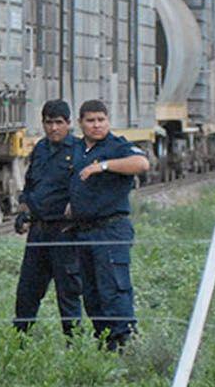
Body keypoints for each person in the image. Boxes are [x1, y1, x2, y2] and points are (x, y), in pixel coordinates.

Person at [67, 99, 150, 350]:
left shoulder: (117, 146)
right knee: (92, 293)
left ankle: (124, 344)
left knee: (113, 288)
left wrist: (103, 166)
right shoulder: (77, 149)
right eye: (90, 121)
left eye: (101, 120)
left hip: (110, 230)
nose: (96, 125)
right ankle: (104, 344)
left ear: (108, 121)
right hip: (84, 231)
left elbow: (142, 164)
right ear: (80, 123)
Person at [13, 100, 84, 336]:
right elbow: (30, 186)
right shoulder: (41, 149)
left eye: (59, 123)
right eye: (49, 123)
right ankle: (19, 343)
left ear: (69, 123)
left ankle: (75, 345)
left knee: (68, 294)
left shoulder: (79, 150)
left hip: (64, 233)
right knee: (27, 292)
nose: (54, 128)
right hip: (38, 232)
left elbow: (86, 189)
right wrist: (24, 212)